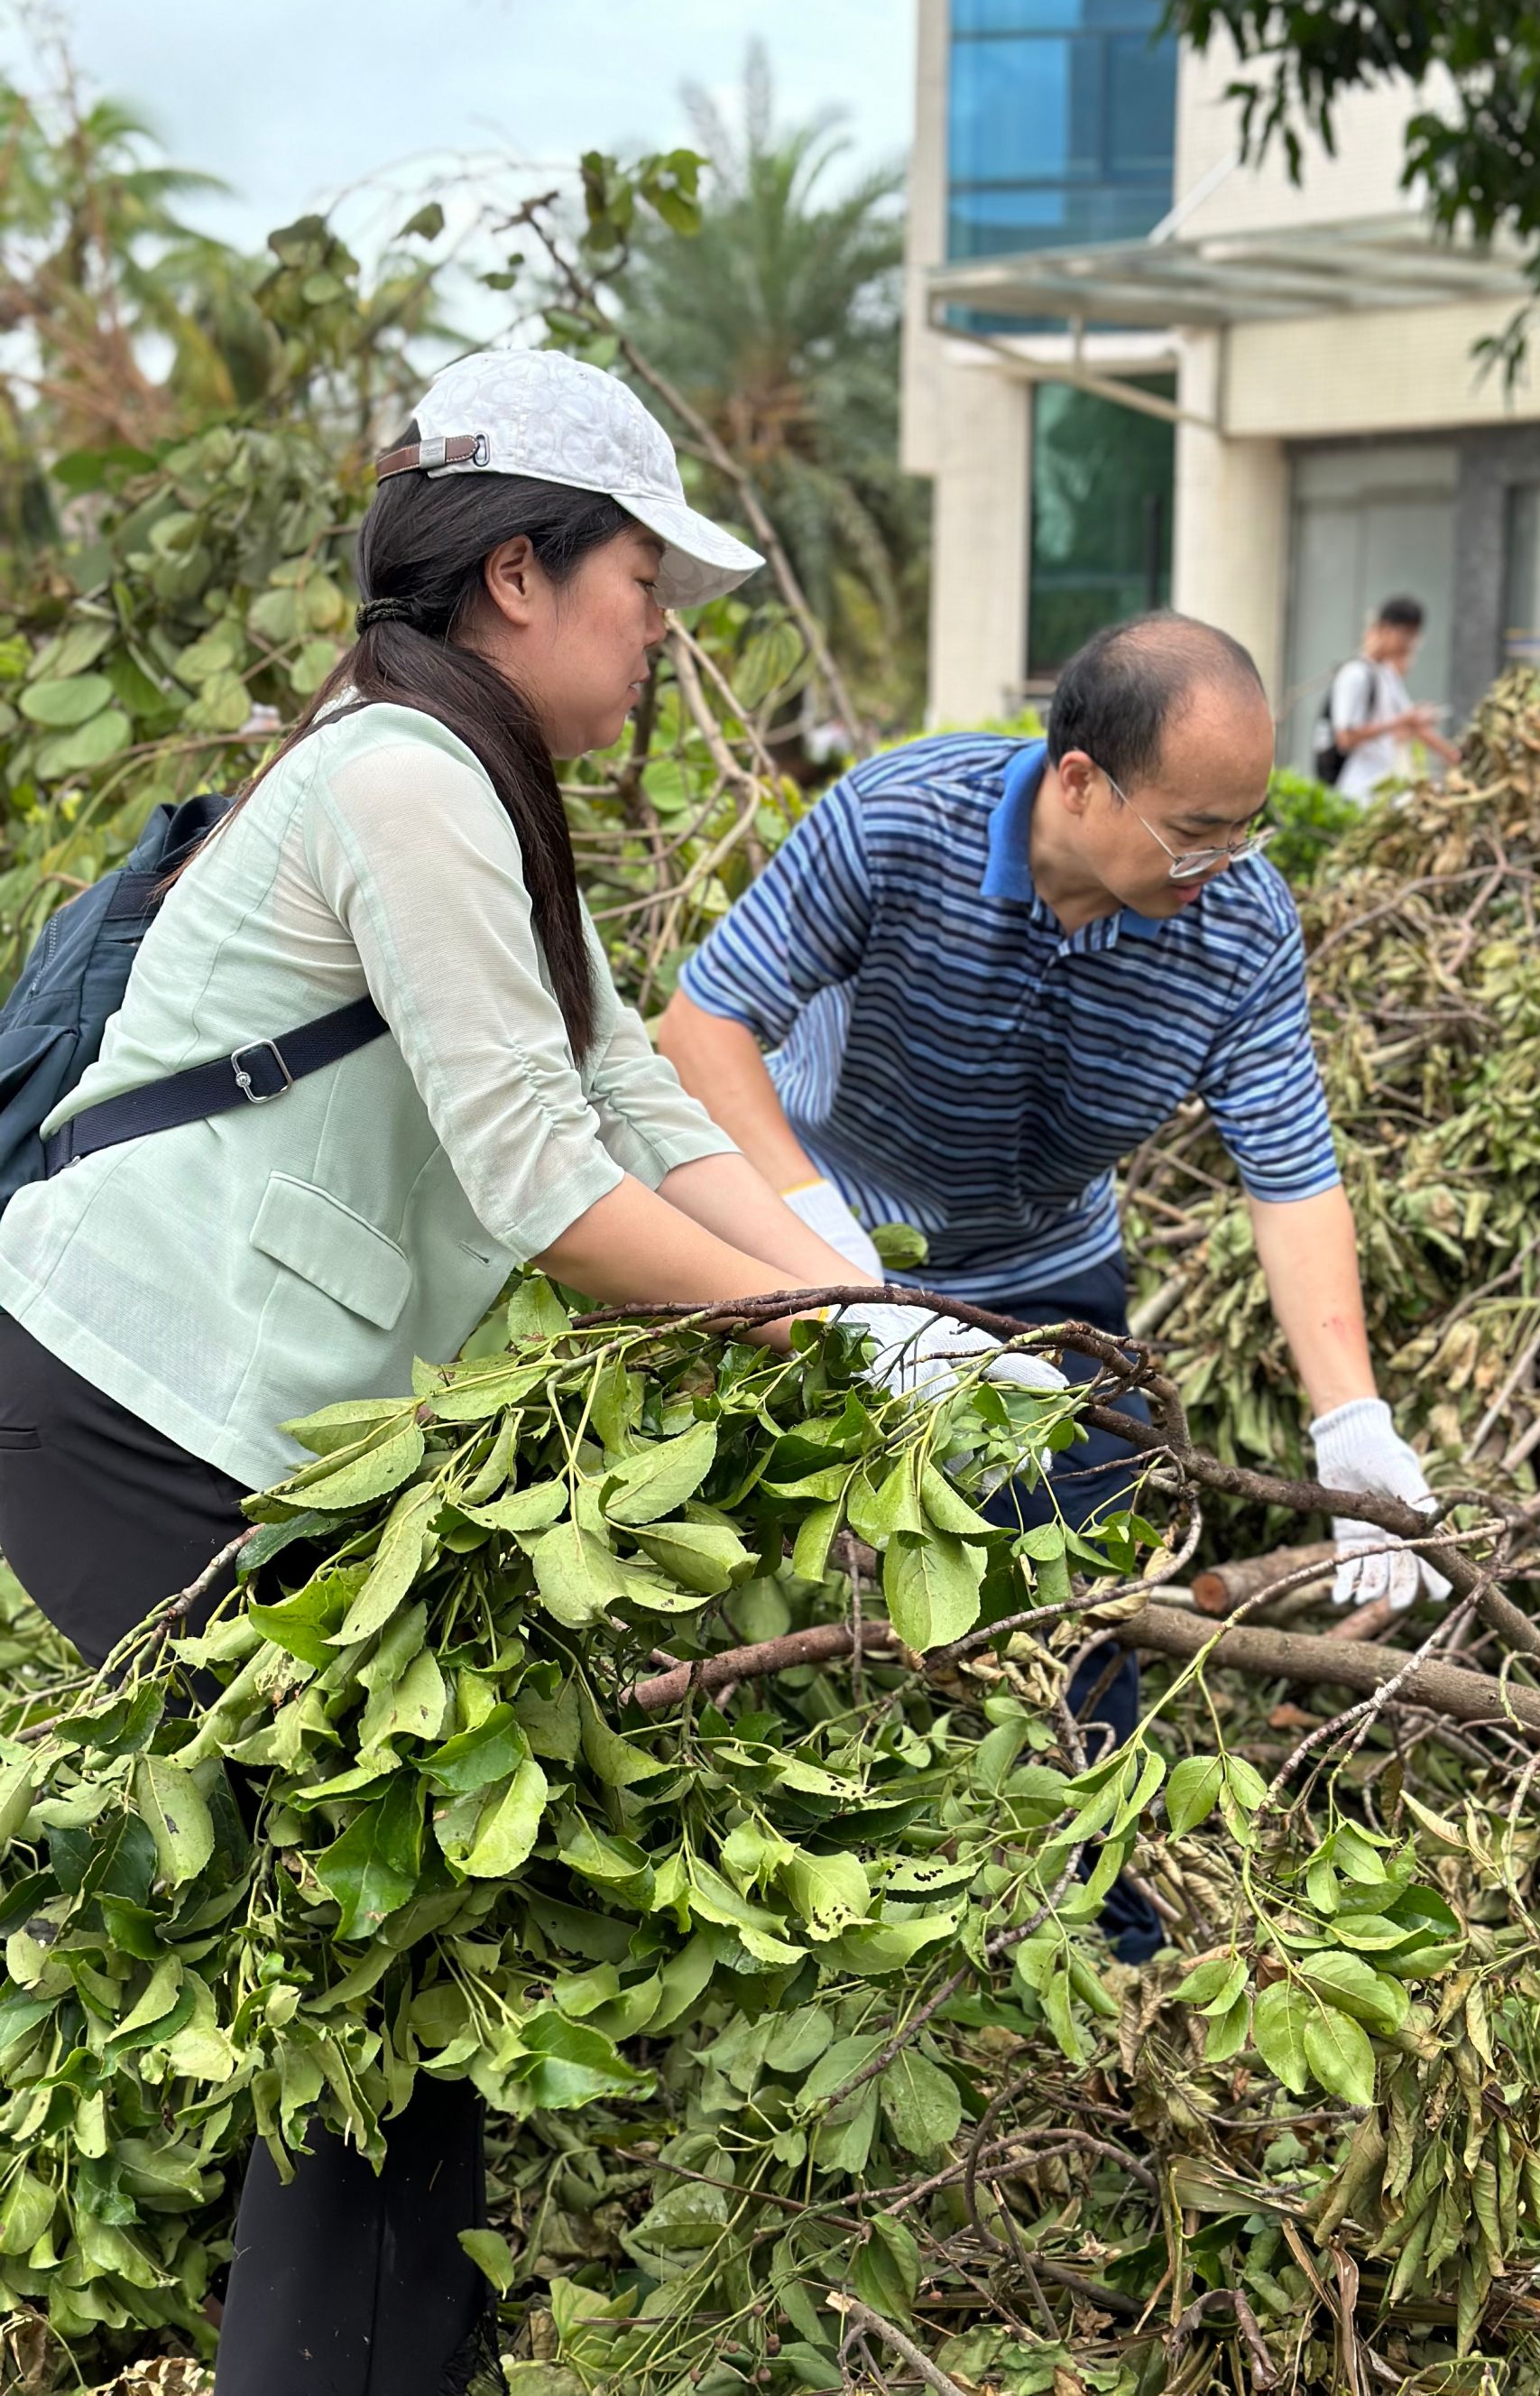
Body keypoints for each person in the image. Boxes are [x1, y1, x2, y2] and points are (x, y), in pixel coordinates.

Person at [0, 347, 1054, 2396]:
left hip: (227, 1427)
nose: (662, 631)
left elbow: (634, 1105)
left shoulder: (468, 787)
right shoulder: (398, 783)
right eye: (642, 586)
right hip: (123, 1405)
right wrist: (834, 1331)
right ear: (517, 577)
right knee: (357, 1944)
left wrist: (859, 1294)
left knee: (384, 1964)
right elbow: (552, 1197)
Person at [659, 612, 1445, 1947]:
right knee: (781, 1575)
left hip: (1045, 1272)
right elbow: (703, 1026)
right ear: (1078, 777)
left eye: (1245, 827)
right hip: (829, 1244)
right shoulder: (899, 820)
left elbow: (1292, 1174)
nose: (1223, 861)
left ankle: (1103, 1938)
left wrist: (1349, 1418)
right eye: (1194, 828)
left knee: (1081, 1601)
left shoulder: (1238, 923)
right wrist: (834, 1276)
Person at [1324, 593, 1462, 802]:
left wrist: (1453, 756)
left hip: (1382, 789)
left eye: (1414, 638)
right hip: (1356, 791)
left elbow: (1413, 723)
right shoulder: (1356, 674)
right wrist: (1401, 722)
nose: (1409, 645)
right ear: (1385, 629)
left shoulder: (1386, 674)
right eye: (1406, 636)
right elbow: (1345, 738)